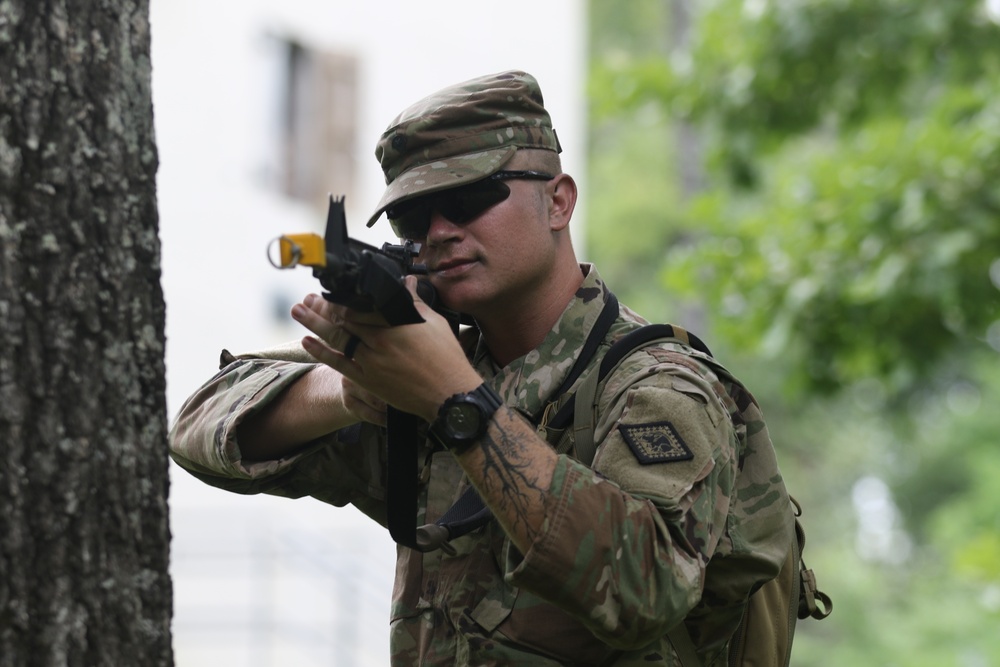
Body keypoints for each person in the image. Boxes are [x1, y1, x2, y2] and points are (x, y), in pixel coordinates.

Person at [169, 70, 794, 666]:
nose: (440, 231)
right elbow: (197, 428)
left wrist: (455, 402)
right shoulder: (427, 372)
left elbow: (645, 589)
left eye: (471, 198)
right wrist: (353, 392)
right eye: (413, 218)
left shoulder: (655, 384)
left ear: (559, 201)